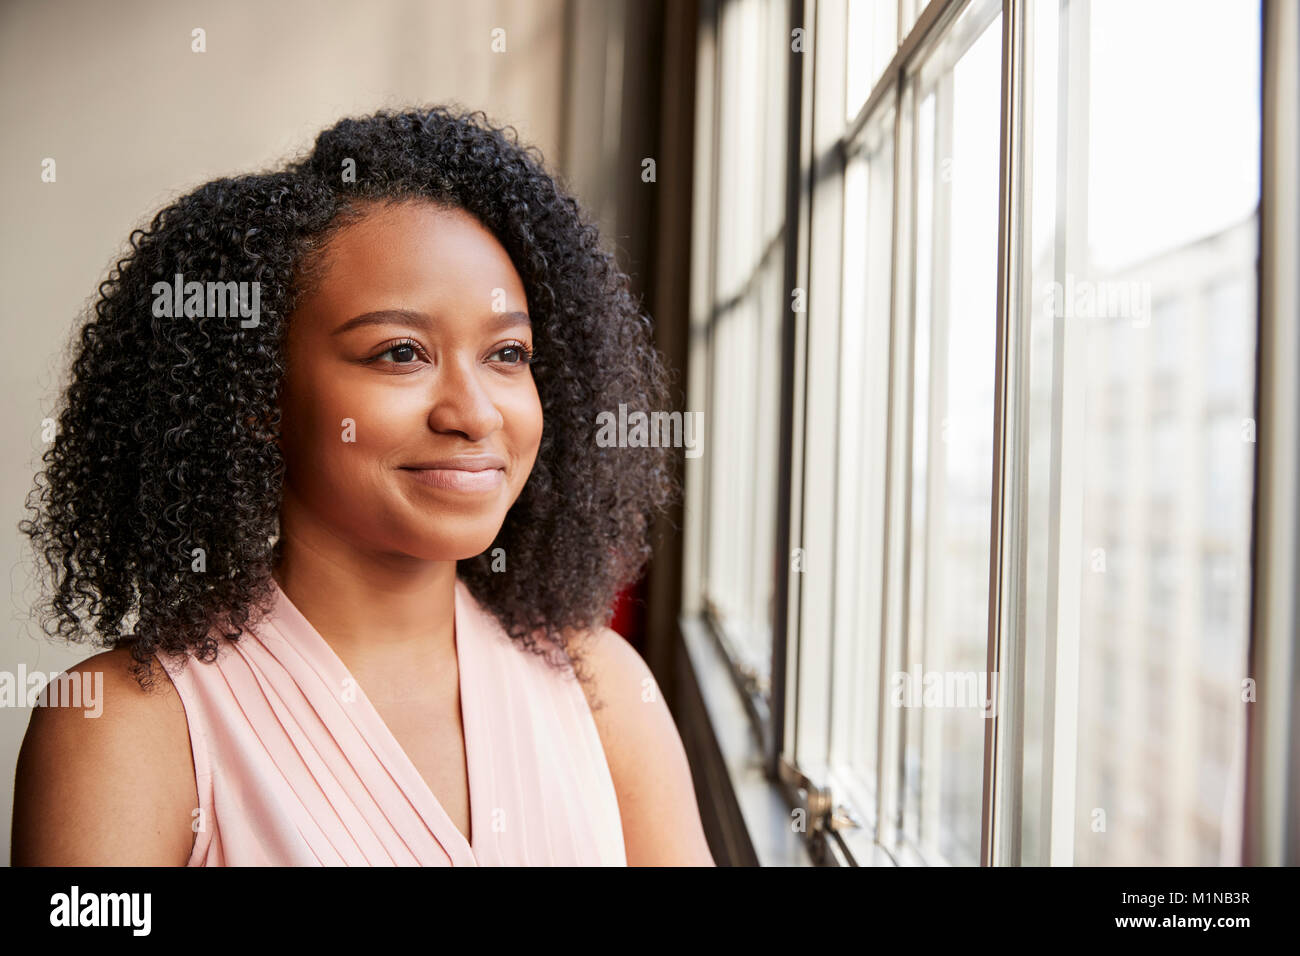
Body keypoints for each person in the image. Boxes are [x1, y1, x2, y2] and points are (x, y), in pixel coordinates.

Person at [12, 106, 714, 866]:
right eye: (401, 352)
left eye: (507, 353)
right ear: (254, 399)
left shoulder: (599, 683)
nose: (474, 413)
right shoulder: (126, 726)